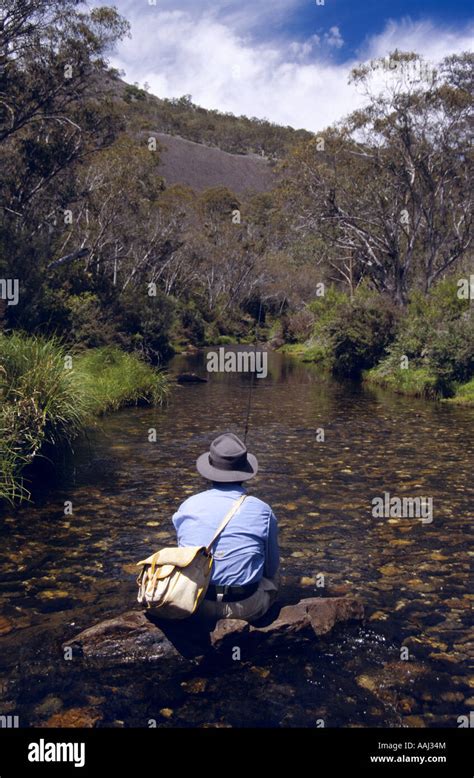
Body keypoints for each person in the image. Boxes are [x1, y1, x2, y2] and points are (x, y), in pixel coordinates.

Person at [172, 432, 280, 623]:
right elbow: (270, 569)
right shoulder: (263, 510)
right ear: (244, 473)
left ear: (209, 471)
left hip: (197, 603)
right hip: (245, 606)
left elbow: (185, 559)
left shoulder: (187, 506)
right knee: (274, 578)